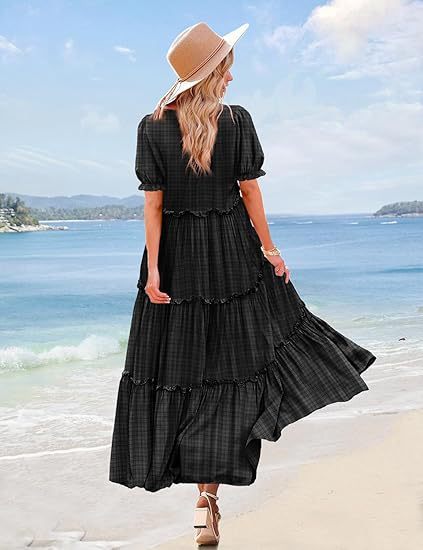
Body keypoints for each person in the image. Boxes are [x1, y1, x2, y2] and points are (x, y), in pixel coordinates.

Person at [109, 21, 377, 546]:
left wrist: (155, 270)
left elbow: (154, 205)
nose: (231, 76)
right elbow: (250, 194)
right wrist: (271, 250)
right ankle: (208, 498)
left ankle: (203, 502)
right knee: (234, 370)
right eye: (226, 68)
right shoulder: (236, 122)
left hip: (177, 263)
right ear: (211, 74)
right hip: (232, 257)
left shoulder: (151, 126)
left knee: (185, 371)